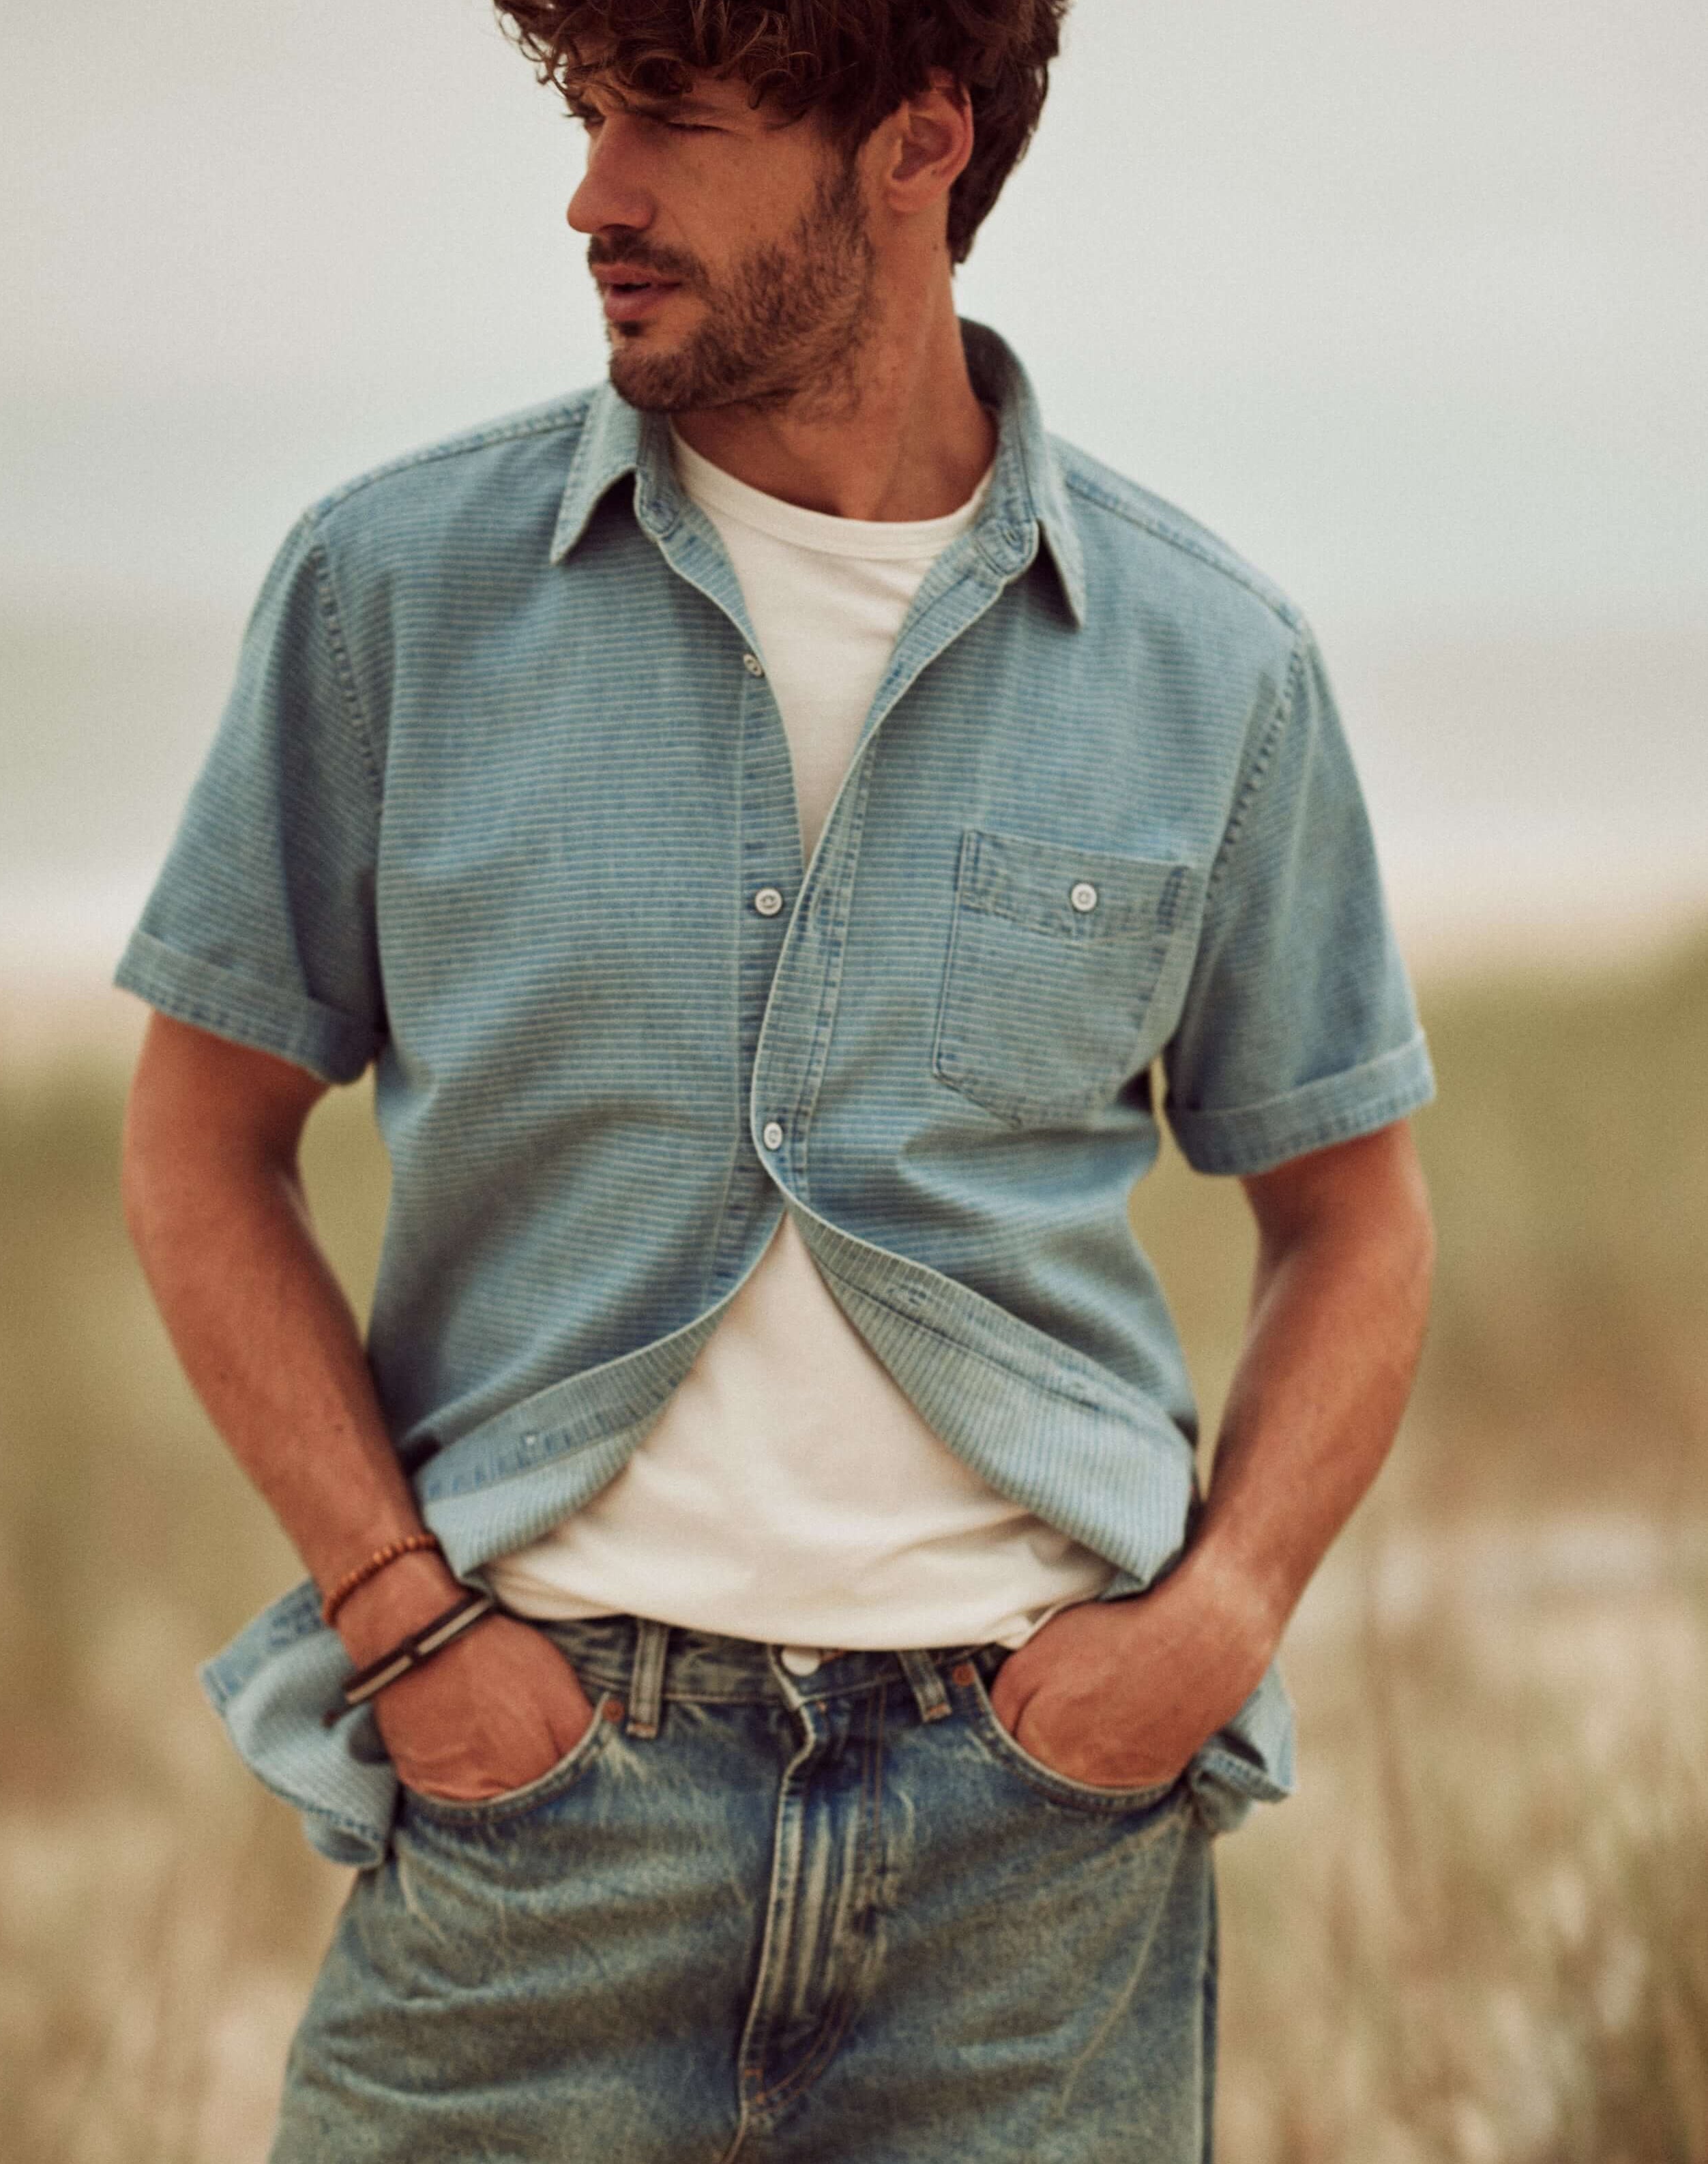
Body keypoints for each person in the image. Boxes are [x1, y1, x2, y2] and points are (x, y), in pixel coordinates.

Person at [117, 1, 1437, 2154]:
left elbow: (1352, 1210)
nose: (593, 196)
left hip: (1034, 1861)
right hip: (538, 1815)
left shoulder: (1212, 664)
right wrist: (397, 1617)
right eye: (588, 111)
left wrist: (1217, 1618)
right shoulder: (391, 595)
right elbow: (197, 1144)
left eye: (675, 123)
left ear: (916, 148)